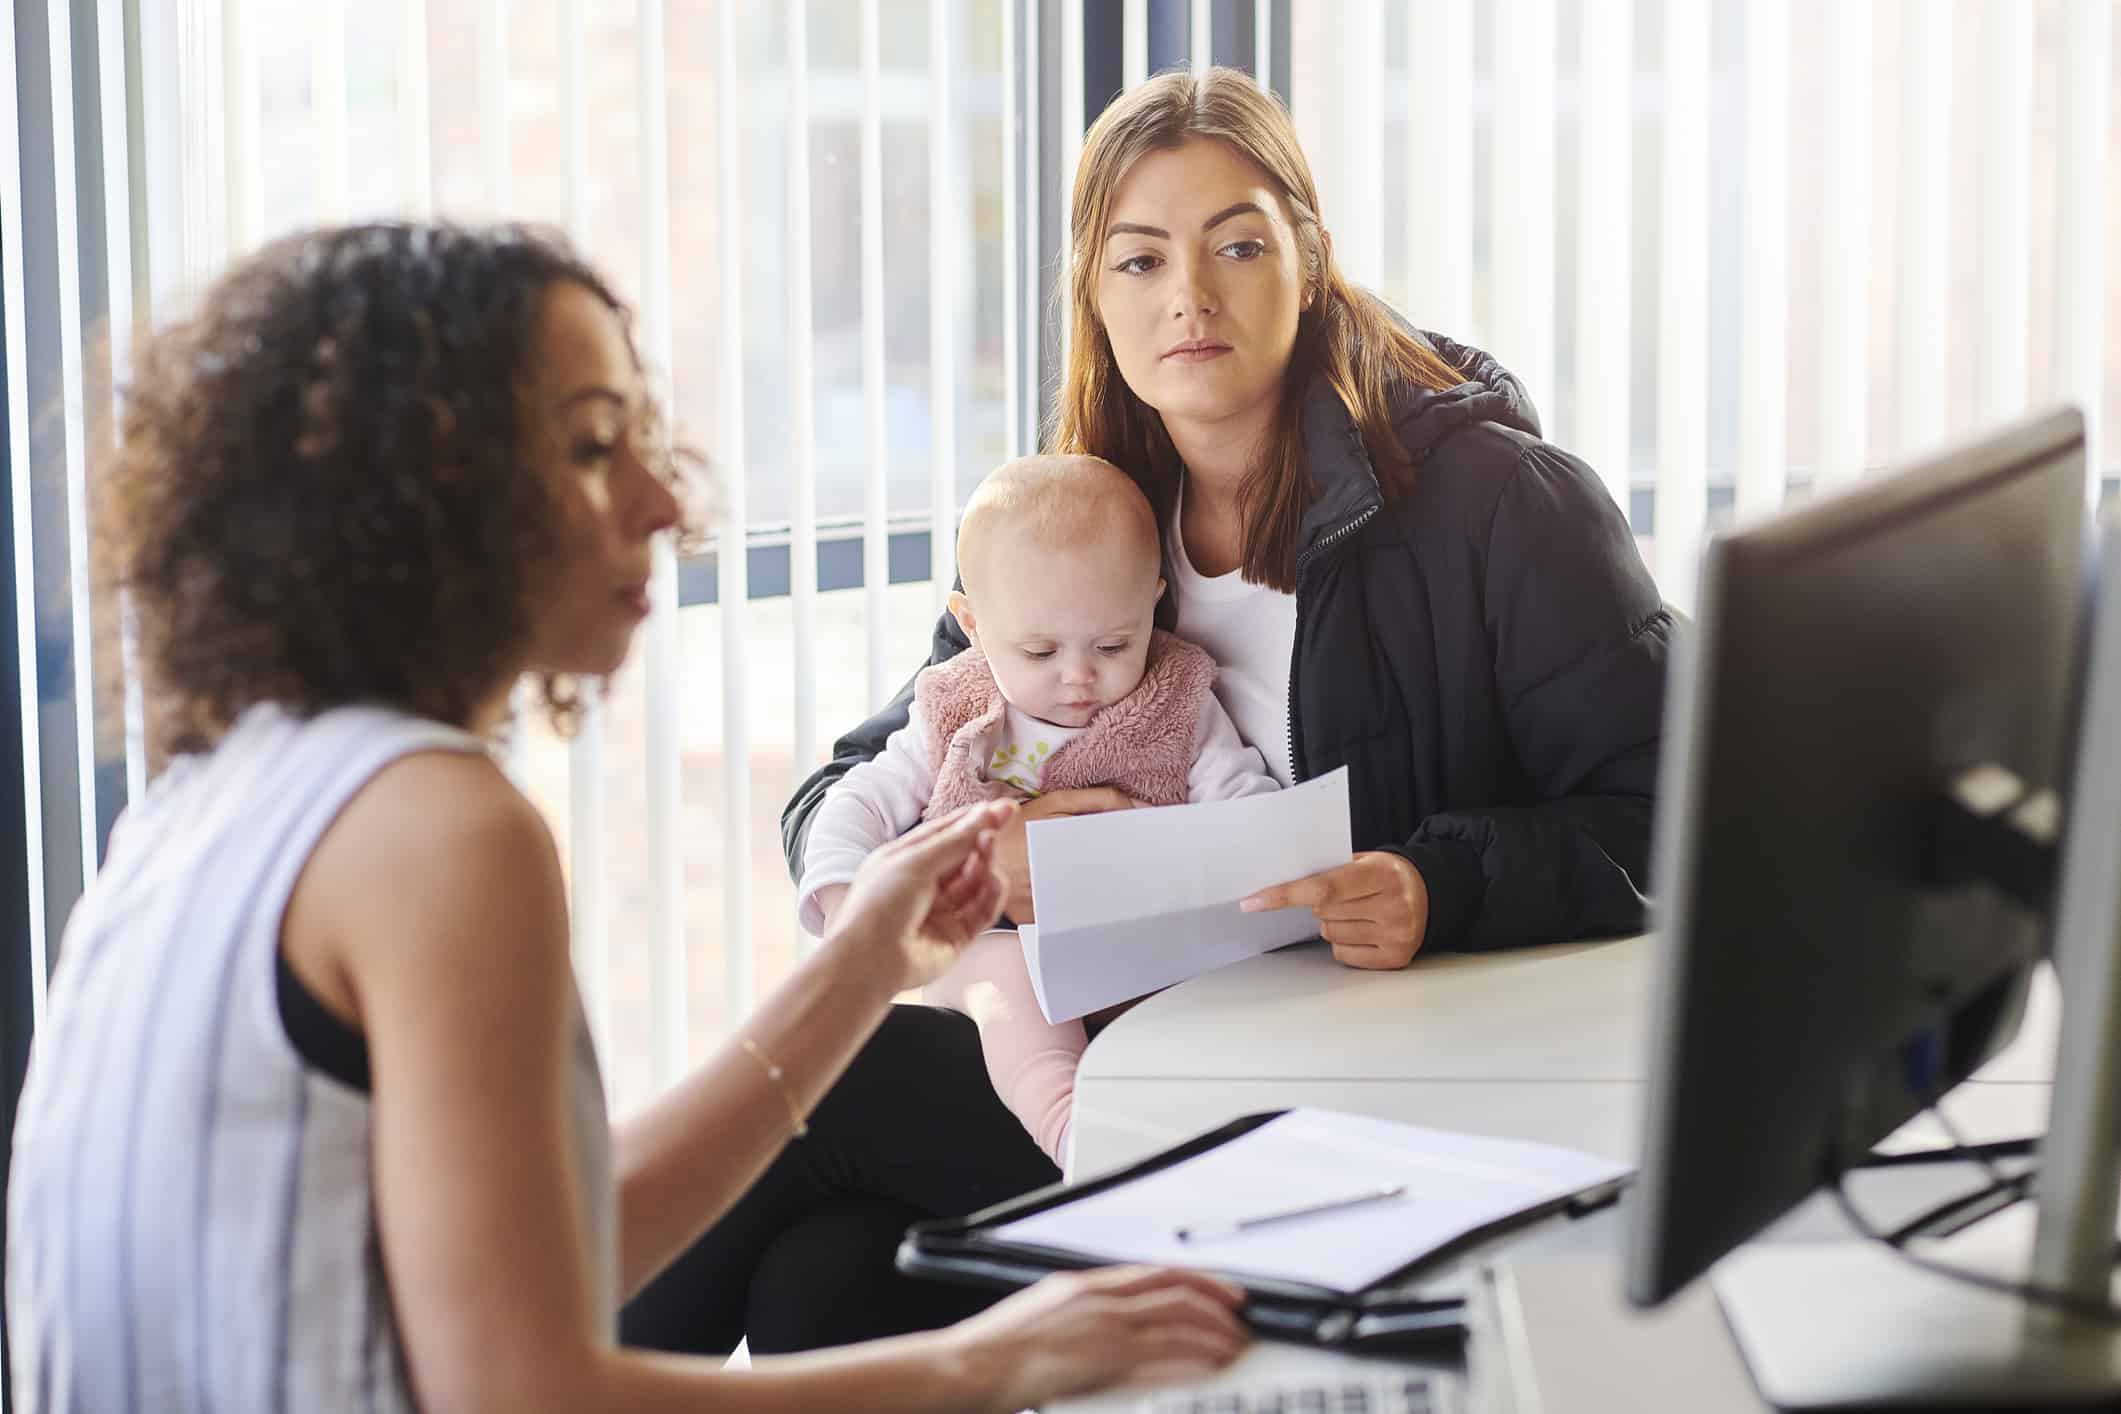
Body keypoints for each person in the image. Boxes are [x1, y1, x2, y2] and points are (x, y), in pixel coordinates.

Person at [4, 223, 1249, 1412]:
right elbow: (522, 1390)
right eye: (596, 448)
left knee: (832, 1272)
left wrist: (871, 953)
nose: (666, 499)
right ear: (425, 500)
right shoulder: (437, 832)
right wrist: (991, 1363)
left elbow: (553, 1246)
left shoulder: (216, 798)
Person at [626, 65, 1671, 1358]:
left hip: (1356, 1096)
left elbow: (1678, 813)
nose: (1189, 295)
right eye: (1138, 259)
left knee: (842, 1090)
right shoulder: (1090, 516)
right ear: (1092, 294)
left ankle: (509, 1372)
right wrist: (983, 865)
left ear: (1311, 257)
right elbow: (865, 772)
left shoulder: (1500, 508)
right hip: (1134, 1061)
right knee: (828, 1283)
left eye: (1237, 242)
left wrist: (1434, 881)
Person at [798, 453, 1278, 1164]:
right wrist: (847, 904)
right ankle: (1069, 1128)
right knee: (1009, 981)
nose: (1079, 676)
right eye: (1039, 649)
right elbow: (856, 800)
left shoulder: (1177, 700)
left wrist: (1250, 867)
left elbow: (1243, 809)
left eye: (1114, 643)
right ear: (972, 622)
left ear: (1152, 599)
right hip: (992, 949)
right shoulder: (956, 707)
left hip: (1141, 953)